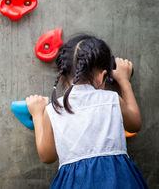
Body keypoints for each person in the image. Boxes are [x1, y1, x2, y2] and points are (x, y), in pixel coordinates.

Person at [26, 34, 148, 188]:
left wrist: (37, 114)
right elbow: (135, 124)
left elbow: (47, 156)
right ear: (102, 75)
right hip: (118, 179)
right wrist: (124, 81)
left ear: (62, 78)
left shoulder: (54, 109)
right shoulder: (112, 99)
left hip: (75, 183)